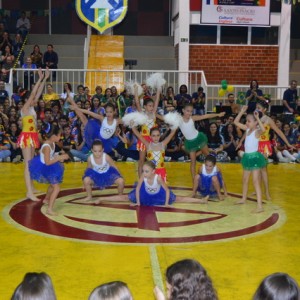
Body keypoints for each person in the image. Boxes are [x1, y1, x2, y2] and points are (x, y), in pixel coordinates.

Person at [96, 161, 208, 206]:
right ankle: (103, 199)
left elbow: (167, 190)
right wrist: (138, 203)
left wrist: (166, 204)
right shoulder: (143, 177)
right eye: (143, 171)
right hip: (144, 194)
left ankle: (201, 201)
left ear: (153, 171)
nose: (144, 173)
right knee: (125, 198)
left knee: (178, 199)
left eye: (146, 171)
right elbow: (139, 188)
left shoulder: (158, 178)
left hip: (158, 195)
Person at [17, 68, 49, 201]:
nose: (35, 100)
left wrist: (45, 79)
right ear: (27, 99)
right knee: (27, 164)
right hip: (26, 136)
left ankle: (32, 188)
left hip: (32, 136)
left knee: (31, 164)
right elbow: (33, 94)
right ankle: (29, 192)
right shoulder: (24, 109)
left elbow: (37, 93)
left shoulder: (31, 108)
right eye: (31, 98)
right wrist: (39, 78)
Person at [178, 103, 225, 180]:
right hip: (190, 143)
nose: (189, 113)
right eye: (187, 111)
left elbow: (205, 116)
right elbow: (164, 118)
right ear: (183, 110)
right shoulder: (179, 120)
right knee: (193, 162)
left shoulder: (192, 118)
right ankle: (194, 180)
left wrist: (218, 114)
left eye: (191, 111)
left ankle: (216, 174)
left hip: (199, 139)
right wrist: (154, 114)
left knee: (208, 157)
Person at [29, 125, 69, 215]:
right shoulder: (47, 146)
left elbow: (51, 156)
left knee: (53, 184)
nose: (60, 137)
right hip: (45, 168)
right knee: (57, 188)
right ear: (54, 136)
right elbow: (47, 162)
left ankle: (46, 199)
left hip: (50, 165)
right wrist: (59, 158)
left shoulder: (53, 143)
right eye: (59, 135)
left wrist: (57, 157)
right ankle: (50, 209)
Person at [234, 105, 267, 213]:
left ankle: (260, 206)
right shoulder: (247, 130)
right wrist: (242, 111)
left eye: (249, 121)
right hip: (247, 158)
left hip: (255, 158)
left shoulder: (257, 131)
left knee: (256, 181)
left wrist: (257, 118)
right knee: (245, 179)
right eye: (246, 121)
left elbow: (263, 129)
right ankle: (243, 198)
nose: (247, 123)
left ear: (255, 123)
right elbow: (236, 122)